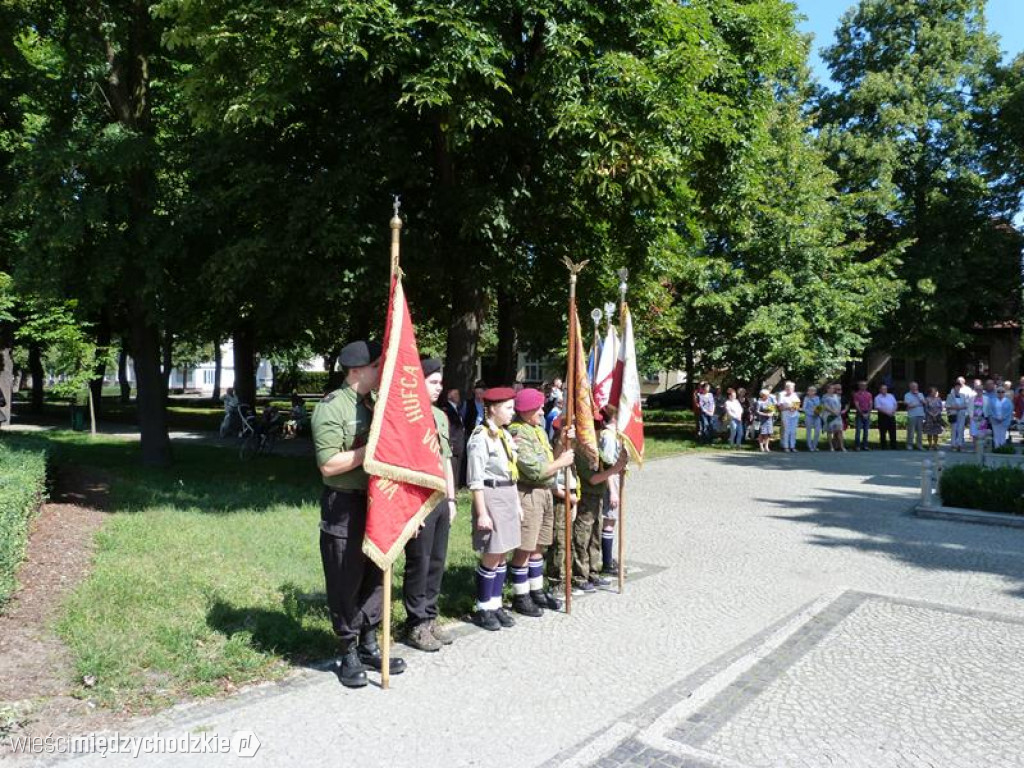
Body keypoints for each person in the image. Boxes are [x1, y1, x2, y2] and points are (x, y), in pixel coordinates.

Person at [311, 340, 405, 688]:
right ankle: (347, 649)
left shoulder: (374, 403)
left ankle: (368, 641)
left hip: (376, 501)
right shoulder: (332, 408)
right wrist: (371, 450)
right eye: (377, 366)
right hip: (345, 503)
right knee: (345, 577)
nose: (383, 371)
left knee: (376, 571)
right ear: (357, 370)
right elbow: (329, 465)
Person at [402, 359, 458, 652]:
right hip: (418, 501)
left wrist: (451, 498)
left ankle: (431, 614)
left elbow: (445, 459)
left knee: (436, 561)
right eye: (433, 382)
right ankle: (415, 623)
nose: (439, 387)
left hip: (439, 498)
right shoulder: (406, 417)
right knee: (419, 563)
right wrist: (410, 509)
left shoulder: (439, 416)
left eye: (440, 382)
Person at [507, 388, 575, 616]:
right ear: (526, 410)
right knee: (525, 547)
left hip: (544, 492)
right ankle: (521, 595)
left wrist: (561, 444)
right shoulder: (518, 432)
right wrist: (562, 462)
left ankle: (536, 590)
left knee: (539, 546)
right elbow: (534, 469)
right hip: (529, 493)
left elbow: (550, 460)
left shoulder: (537, 430)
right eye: (538, 407)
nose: (542, 410)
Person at [466, 387, 523, 631]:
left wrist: (517, 504)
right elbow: (475, 479)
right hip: (492, 495)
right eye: (508, 407)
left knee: (503, 552)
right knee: (492, 552)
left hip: (508, 493)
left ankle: (496, 603)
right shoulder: (481, 437)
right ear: (493, 408)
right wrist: (482, 513)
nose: (513, 412)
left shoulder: (503, 434)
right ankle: (483, 606)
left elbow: (512, 471)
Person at [572, 426, 628, 592]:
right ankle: (580, 576)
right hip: (587, 499)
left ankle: (593, 572)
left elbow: (606, 466)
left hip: (598, 498)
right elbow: (594, 479)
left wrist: (619, 464)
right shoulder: (579, 453)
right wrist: (615, 469)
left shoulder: (594, 451)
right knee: (582, 538)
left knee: (595, 537)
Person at [598, 406, 623, 575]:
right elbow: (605, 466)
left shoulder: (614, 434)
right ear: (614, 416)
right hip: (610, 480)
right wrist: (613, 490)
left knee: (612, 521)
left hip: (616, 478)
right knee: (609, 520)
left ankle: (608, 559)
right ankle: (606, 562)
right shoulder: (608, 436)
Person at [441, 387, 467, 487]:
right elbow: (447, 427)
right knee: (452, 471)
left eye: (458, 395)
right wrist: (450, 442)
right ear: (449, 396)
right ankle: (451, 493)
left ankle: (455, 491)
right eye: (455, 394)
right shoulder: (446, 409)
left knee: (457, 471)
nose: (458, 397)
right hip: (453, 445)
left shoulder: (456, 408)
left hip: (459, 445)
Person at [946, 378, 970, 452]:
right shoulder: (950, 395)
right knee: (954, 429)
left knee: (961, 429)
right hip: (954, 414)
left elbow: (966, 405)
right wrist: (955, 407)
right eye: (956, 387)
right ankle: (953, 445)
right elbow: (947, 405)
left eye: (959, 387)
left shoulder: (963, 395)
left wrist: (960, 407)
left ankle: (960, 445)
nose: (957, 388)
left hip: (961, 414)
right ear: (954, 388)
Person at [776, 381, 800, 453]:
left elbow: (797, 405)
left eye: (792, 388)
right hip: (786, 415)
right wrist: (788, 407)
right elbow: (780, 408)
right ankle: (786, 446)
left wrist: (793, 407)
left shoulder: (795, 395)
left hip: (794, 415)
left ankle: (792, 446)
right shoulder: (782, 395)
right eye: (789, 388)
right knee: (786, 431)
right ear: (786, 388)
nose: (791, 389)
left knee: (793, 431)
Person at [822, 384, 845, 452]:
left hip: (837, 416)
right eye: (831, 388)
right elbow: (825, 406)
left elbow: (839, 404)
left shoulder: (836, 396)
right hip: (829, 416)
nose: (833, 390)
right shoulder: (825, 397)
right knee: (830, 431)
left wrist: (838, 412)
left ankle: (842, 446)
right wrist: (833, 412)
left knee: (840, 431)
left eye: (833, 388)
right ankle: (831, 447)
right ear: (828, 389)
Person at [903, 382, 926, 451]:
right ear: (910, 387)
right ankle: (909, 445)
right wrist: (918, 404)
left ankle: (919, 445)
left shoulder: (920, 394)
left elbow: (924, 403)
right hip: (912, 415)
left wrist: (918, 397)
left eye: (916, 386)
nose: (914, 388)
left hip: (920, 414)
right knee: (911, 431)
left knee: (919, 431)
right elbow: (909, 405)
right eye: (913, 386)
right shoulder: (907, 395)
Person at [851, 381, 873, 451]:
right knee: (858, 430)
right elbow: (856, 405)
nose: (863, 386)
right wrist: (862, 414)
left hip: (867, 413)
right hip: (859, 414)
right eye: (862, 385)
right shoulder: (856, 394)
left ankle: (865, 446)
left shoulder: (869, 394)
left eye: (865, 385)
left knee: (866, 430)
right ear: (859, 386)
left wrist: (868, 413)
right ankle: (857, 446)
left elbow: (871, 404)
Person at [874, 384, 898, 449]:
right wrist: (887, 413)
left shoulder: (891, 396)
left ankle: (893, 446)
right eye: (883, 389)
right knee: (883, 432)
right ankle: (883, 446)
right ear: (880, 390)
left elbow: (895, 404)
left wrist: (893, 411)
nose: (885, 390)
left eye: (886, 389)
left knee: (893, 431)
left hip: (892, 415)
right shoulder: (877, 397)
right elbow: (878, 408)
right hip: (883, 416)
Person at [922, 386, 946, 450]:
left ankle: (935, 444)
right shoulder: (927, 399)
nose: (935, 392)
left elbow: (941, 408)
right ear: (930, 393)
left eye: (935, 391)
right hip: (929, 417)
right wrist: (932, 414)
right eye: (933, 391)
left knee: (936, 432)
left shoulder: (939, 399)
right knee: (929, 432)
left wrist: (936, 414)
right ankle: (930, 445)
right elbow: (926, 409)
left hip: (937, 417)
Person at [802, 386, 821, 451]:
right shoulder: (806, 398)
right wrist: (811, 413)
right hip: (809, 416)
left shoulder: (817, 398)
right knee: (809, 431)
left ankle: (814, 446)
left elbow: (819, 406)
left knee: (817, 431)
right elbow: (804, 408)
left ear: (815, 392)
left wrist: (817, 412)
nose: (812, 392)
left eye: (813, 390)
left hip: (817, 416)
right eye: (810, 390)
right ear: (808, 391)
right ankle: (810, 446)